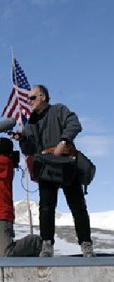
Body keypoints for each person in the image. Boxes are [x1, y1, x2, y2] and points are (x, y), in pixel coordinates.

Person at [13, 84, 95, 257]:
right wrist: (21, 139)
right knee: (46, 207)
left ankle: (86, 245)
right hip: (46, 166)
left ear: (43, 96)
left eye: (32, 97)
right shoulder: (31, 122)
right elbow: (28, 149)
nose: (29, 101)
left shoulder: (59, 110)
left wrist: (63, 141)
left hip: (66, 162)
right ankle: (47, 245)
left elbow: (74, 123)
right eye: (28, 99)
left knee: (77, 205)